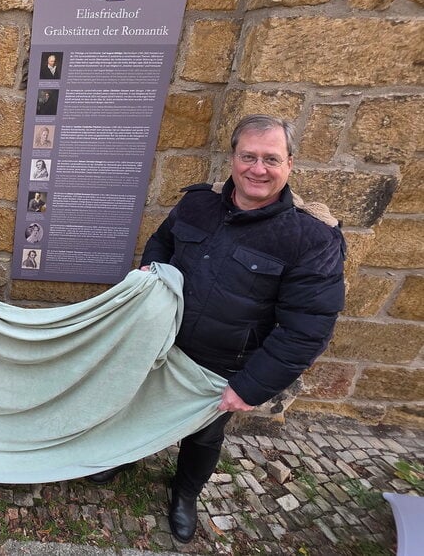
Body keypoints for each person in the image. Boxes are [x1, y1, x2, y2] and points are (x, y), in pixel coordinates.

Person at [86, 115, 346, 544]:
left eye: (270, 159)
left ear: (290, 164)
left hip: (222, 364)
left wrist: (249, 387)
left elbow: (306, 328)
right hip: (162, 343)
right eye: (248, 156)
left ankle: (185, 493)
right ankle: (124, 456)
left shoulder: (311, 239)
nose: (257, 169)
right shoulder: (197, 204)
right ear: (233, 158)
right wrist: (152, 272)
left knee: (203, 437)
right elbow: (162, 242)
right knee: (137, 408)